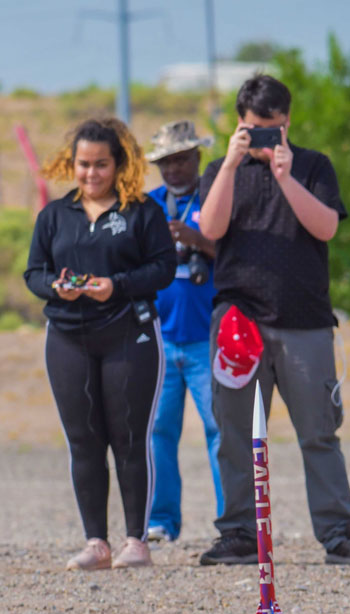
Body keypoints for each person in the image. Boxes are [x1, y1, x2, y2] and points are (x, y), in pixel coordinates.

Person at [198, 75, 350, 566]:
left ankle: (339, 532)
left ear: (287, 122)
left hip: (304, 323)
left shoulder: (314, 165)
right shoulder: (222, 169)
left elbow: (325, 227)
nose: (261, 138)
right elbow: (210, 228)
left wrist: (285, 176)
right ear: (238, 123)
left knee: (319, 431)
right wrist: (234, 162)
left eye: (270, 129)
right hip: (239, 324)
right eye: (251, 129)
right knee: (235, 432)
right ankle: (238, 532)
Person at [24, 118, 176, 570]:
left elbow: (163, 268)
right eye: (83, 165)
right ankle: (96, 543)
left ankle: (136, 542)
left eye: (101, 165)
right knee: (83, 441)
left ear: (119, 164)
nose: (91, 174)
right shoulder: (54, 216)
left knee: (129, 438)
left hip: (130, 332)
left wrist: (117, 285)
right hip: (68, 337)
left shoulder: (142, 211)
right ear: (71, 164)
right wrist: (57, 287)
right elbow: (33, 273)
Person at [144, 121, 223, 543]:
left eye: (182, 159)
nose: (174, 169)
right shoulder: (147, 206)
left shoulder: (214, 201)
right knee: (157, 432)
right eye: (166, 162)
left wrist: (199, 240)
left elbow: (238, 254)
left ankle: (233, 523)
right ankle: (160, 520)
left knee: (220, 431)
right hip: (158, 338)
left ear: (198, 159)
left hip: (207, 338)